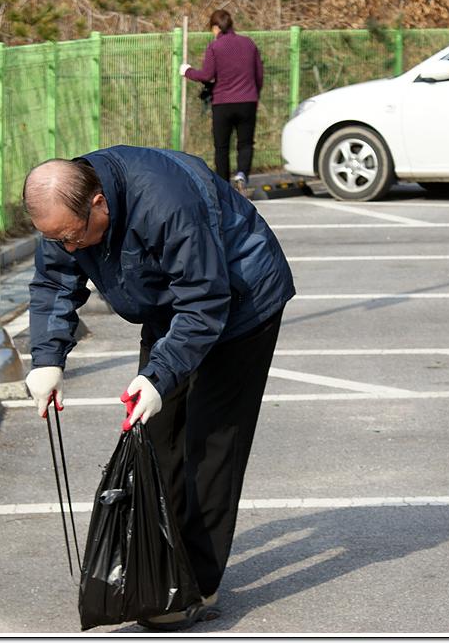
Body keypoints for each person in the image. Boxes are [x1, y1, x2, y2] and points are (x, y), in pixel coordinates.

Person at [22, 146, 295, 630]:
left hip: (238, 300)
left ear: (100, 204)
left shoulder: (167, 203)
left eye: (72, 236)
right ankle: (160, 565)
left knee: (211, 442)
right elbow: (54, 283)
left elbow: (205, 300)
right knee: (156, 436)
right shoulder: (66, 209)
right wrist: (48, 360)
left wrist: (159, 375)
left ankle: (198, 585)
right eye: (54, 238)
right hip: (171, 304)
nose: (67, 247)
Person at [179, 9, 264, 199]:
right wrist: (255, 95)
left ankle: (223, 187)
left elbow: (207, 75)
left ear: (216, 28)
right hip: (248, 101)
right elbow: (259, 74)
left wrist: (188, 71)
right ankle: (242, 176)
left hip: (223, 103)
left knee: (222, 147)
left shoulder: (215, 47)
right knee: (245, 143)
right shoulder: (249, 43)